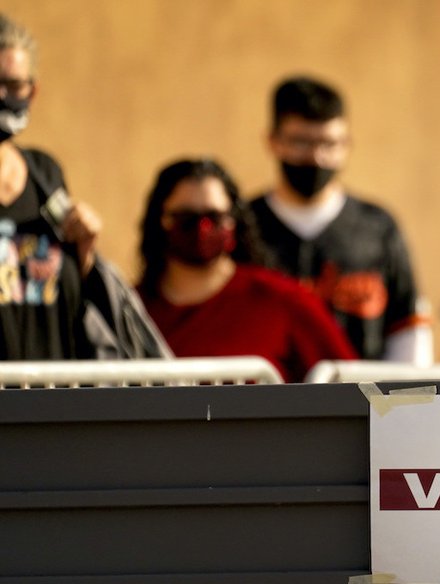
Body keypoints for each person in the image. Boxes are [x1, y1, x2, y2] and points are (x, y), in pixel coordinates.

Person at [0, 12, 167, 360]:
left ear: (33, 91)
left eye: (14, 85)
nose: (3, 96)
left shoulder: (44, 173)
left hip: (54, 397)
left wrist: (85, 249)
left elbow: (75, 294)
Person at [250, 76, 429, 363]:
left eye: (329, 144)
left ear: (347, 145)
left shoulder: (378, 227)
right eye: (301, 142)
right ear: (273, 142)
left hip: (363, 402)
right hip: (266, 402)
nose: (317, 157)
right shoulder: (246, 226)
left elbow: (407, 327)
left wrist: (402, 401)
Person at [137, 158, 357, 383]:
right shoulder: (132, 310)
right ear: (160, 221)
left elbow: (351, 385)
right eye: (186, 218)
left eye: (215, 217)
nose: (202, 229)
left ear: (234, 220)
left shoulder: (283, 299)